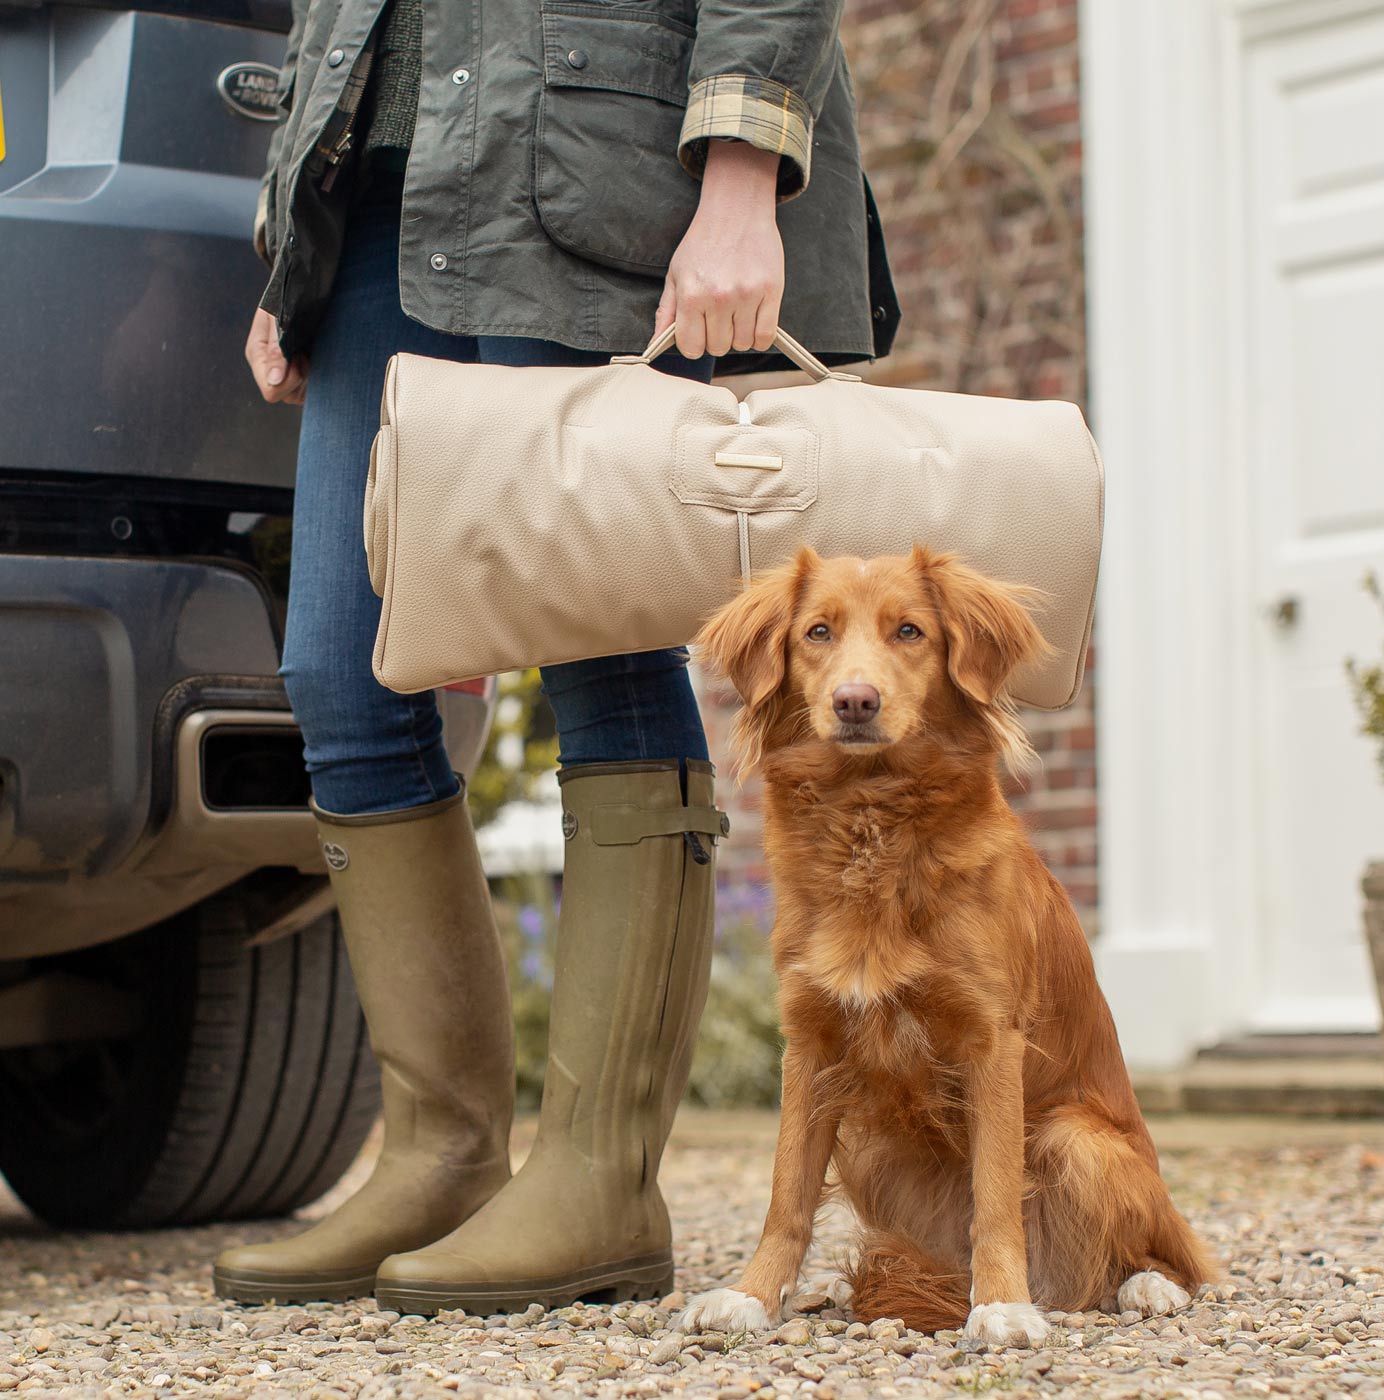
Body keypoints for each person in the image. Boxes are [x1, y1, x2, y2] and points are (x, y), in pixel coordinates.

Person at [213, 0, 898, 1313]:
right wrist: (285, 248)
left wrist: (744, 169)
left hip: (591, 159)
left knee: (601, 638)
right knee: (340, 675)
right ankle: (440, 1152)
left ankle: (598, 1177)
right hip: (381, 193)